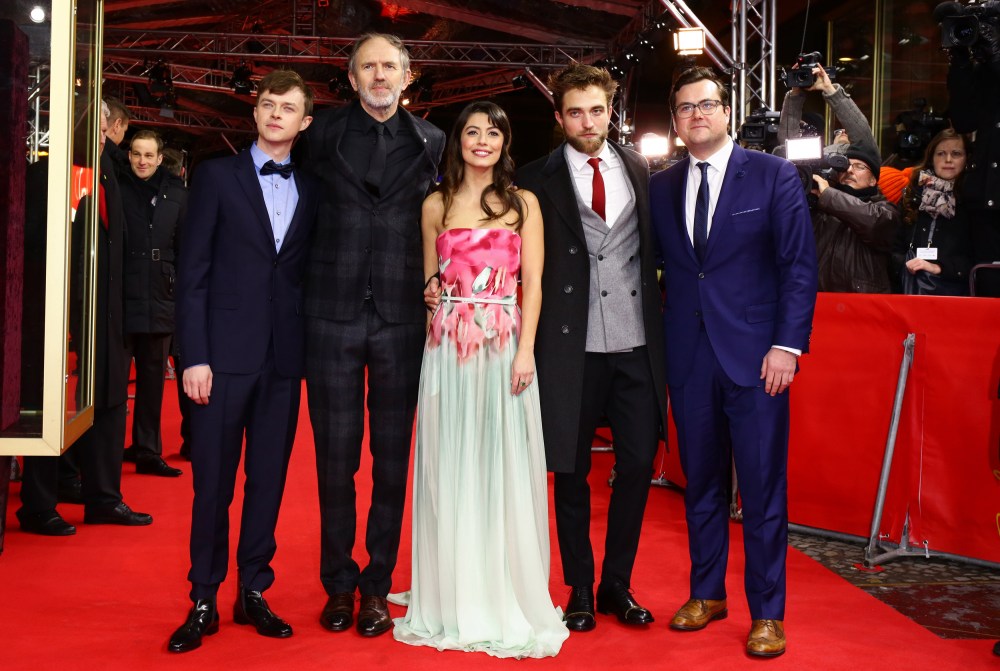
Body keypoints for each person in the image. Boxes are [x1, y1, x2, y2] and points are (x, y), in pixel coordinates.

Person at [649, 66, 817, 657]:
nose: (696, 114)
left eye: (707, 104)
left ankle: (768, 613)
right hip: (689, 358)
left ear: (726, 112)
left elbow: (798, 266)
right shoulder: (661, 187)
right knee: (701, 485)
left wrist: (787, 346)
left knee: (763, 489)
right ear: (675, 121)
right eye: (685, 107)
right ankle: (707, 593)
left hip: (759, 360)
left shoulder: (772, 175)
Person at [394, 101, 568, 658]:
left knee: (500, 462)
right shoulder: (435, 204)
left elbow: (533, 284)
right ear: (459, 141)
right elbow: (430, 284)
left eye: (494, 132)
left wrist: (525, 352)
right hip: (448, 349)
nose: (483, 140)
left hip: (503, 346)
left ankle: (499, 585)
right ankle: (452, 587)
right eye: (473, 132)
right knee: (451, 461)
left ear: (504, 142)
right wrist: (430, 296)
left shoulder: (524, 204)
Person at [300, 32, 445, 638]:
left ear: (407, 76)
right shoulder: (320, 135)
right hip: (329, 313)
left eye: (389, 66)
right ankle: (338, 583)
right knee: (334, 459)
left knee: (391, 461)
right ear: (353, 76)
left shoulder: (434, 141)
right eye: (368, 66)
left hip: (402, 316)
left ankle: (376, 586)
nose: (379, 75)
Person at [168, 70, 317, 653]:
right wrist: (194, 356)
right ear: (254, 113)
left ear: (305, 121)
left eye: (288, 107)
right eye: (267, 104)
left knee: (268, 482)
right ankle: (203, 596)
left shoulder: (313, 187)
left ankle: (253, 590)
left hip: (283, 359)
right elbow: (193, 273)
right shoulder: (215, 177)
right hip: (221, 359)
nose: (276, 114)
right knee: (213, 485)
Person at [515, 63, 667, 633]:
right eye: (575, 112)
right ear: (559, 117)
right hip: (567, 345)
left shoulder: (640, 168)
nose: (587, 121)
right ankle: (579, 585)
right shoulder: (533, 178)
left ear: (611, 112)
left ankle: (616, 584)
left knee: (636, 464)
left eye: (596, 110)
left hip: (636, 343)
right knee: (571, 469)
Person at [119, 129, 187, 476]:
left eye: (149, 155)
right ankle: (108, 451)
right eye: (136, 154)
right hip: (121, 295)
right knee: (114, 383)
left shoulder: (178, 194)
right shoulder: (115, 187)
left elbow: (186, 246)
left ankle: (147, 451)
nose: (142, 161)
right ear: (129, 155)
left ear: (161, 158)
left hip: (162, 295)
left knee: (152, 381)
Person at [892, 128, 974, 295]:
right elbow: (894, 244)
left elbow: (980, 254)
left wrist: (940, 267)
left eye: (956, 153)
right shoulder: (913, 193)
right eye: (941, 154)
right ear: (931, 158)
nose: (948, 160)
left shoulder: (974, 199)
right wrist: (903, 265)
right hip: (909, 286)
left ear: (967, 158)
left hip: (955, 293)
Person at [810, 143, 900, 293]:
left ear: (873, 180)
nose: (849, 170)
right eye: (845, 165)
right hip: (822, 300)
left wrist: (828, 195)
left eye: (859, 167)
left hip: (863, 302)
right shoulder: (821, 205)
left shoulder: (886, 210)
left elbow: (874, 222)